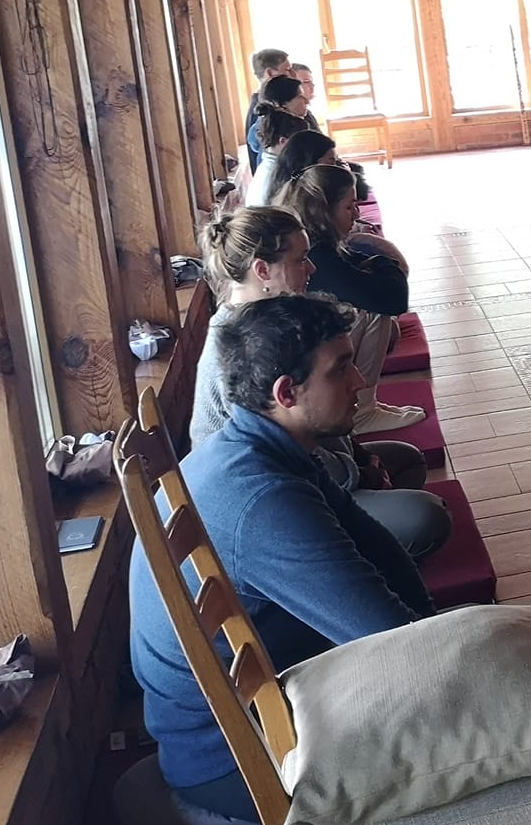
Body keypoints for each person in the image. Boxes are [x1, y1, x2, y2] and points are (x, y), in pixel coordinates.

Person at [129, 293, 434, 823]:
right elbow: (392, 642)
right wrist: (455, 652)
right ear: (286, 392)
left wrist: (432, 627)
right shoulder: (263, 499)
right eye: (341, 370)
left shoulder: (258, 444)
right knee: (472, 727)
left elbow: (374, 542)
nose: (360, 383)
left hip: (248, 717)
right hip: (240, 761)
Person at [189, 206, 449, 559]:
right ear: (262, 270)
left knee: (408, 461)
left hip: (311, 466)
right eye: (301, 259)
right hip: (274, 496)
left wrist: (360, 458)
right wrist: (355, 474)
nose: (311, 269)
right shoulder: (243, 346)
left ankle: (375, 552)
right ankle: (363, 571)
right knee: (426, 517)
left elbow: (316, 420)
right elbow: (283, 451)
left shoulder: (271, 318)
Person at [281, 163, 421, 434]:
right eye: (349, 207)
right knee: (371, 311)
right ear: (324, 211)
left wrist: (378, 264)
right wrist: (383, 260)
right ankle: (363, 411)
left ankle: (366, 404)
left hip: (303, 348)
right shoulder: (318, 252)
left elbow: (383, 283)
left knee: (370, 306)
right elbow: (392, 299)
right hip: (299, 365)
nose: (356, 214)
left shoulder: (319, 241)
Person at [244, 128, 338, 210]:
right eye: (331, 162)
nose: (336, 168)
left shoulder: (283, 175)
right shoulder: (295, 198)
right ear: (311, 161)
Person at [244, 73, 309, 179]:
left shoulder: (270, 131)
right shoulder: (280, 141)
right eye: (300, 97)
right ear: (282, 105)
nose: (307, 101)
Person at [244, 47, 291, 169]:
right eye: (287, 70)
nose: (292, 75)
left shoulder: (273, 102)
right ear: (270, 73)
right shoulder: (261, 111)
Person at [289, 62, 324, 133]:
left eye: (311, 82)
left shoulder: (307, 114)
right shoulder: (288, 120)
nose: (312, 86)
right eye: (306, 82)